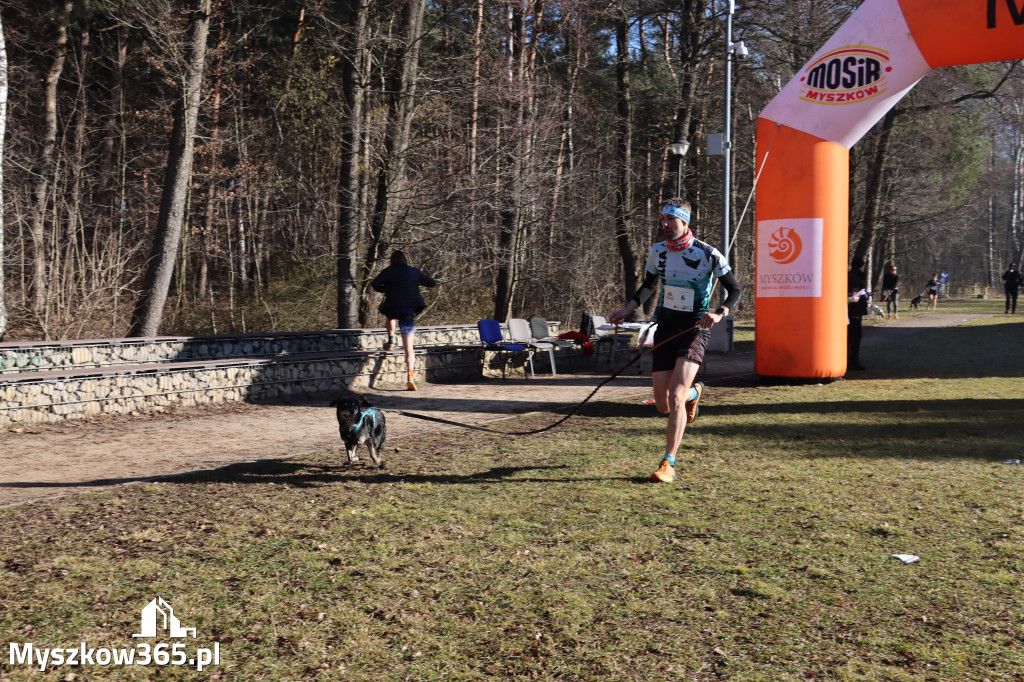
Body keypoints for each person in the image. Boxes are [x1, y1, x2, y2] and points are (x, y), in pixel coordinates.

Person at [609, 198, 742, 484]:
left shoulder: (708, 253)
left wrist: (719, 313)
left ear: (685, 222)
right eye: (663, 220)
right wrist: (627, 309)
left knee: (675, 396)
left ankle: (668, 462)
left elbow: (735, 290)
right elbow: (648, 285)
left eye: (671, 220)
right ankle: (696, 393)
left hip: (695, 329)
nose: (666, 225)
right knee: (662, 405)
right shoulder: (658, 251)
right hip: (666, 328)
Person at [371, 250, 437, 391]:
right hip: (408, 310)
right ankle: (410, 377)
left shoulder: (388, 271)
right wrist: (417, 282)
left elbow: (375, 283)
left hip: (393, 306)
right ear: (405, 260)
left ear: (392, 260)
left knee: (389, 315)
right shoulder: (413, 271)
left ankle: (391, 340)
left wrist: (386, 289)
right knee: (409, 347)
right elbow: (432, 283)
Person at [847, 255, 868, 372]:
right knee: (855, 337)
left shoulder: (851, 275)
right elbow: (854, 291)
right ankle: (853, 361)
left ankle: (852, 361)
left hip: (854, 310)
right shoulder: (855, 277)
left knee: (853, 337)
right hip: (855, 310)